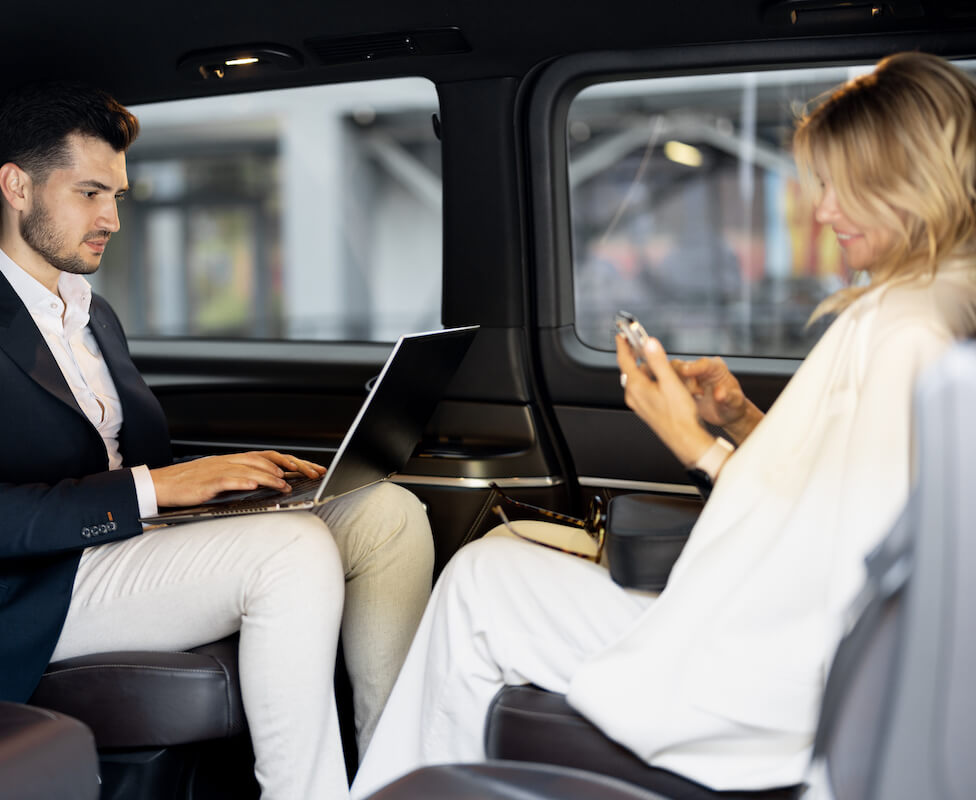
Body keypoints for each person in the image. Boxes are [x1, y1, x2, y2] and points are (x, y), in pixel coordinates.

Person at [350, 51, 976, 797]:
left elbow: (834, 557)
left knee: (479, 587)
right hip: (769, 632)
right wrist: (739, 419)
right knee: (492, 566)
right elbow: (833, 489)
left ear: (909, 183)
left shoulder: (908, 333)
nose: (824, 212)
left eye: (845, 187)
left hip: (767, 673)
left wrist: (693, 443)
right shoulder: (924, 304)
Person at [0, 82, 434, 800]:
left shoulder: (92, 313)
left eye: (116, 195)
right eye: (89, 194)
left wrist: (224, 482)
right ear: (17, 187)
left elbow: (122, 455)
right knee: (292, 552)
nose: (112, 218)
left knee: (388, 514)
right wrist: (156, 487)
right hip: (31, 586)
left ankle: (394, 783)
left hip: (128, 540)